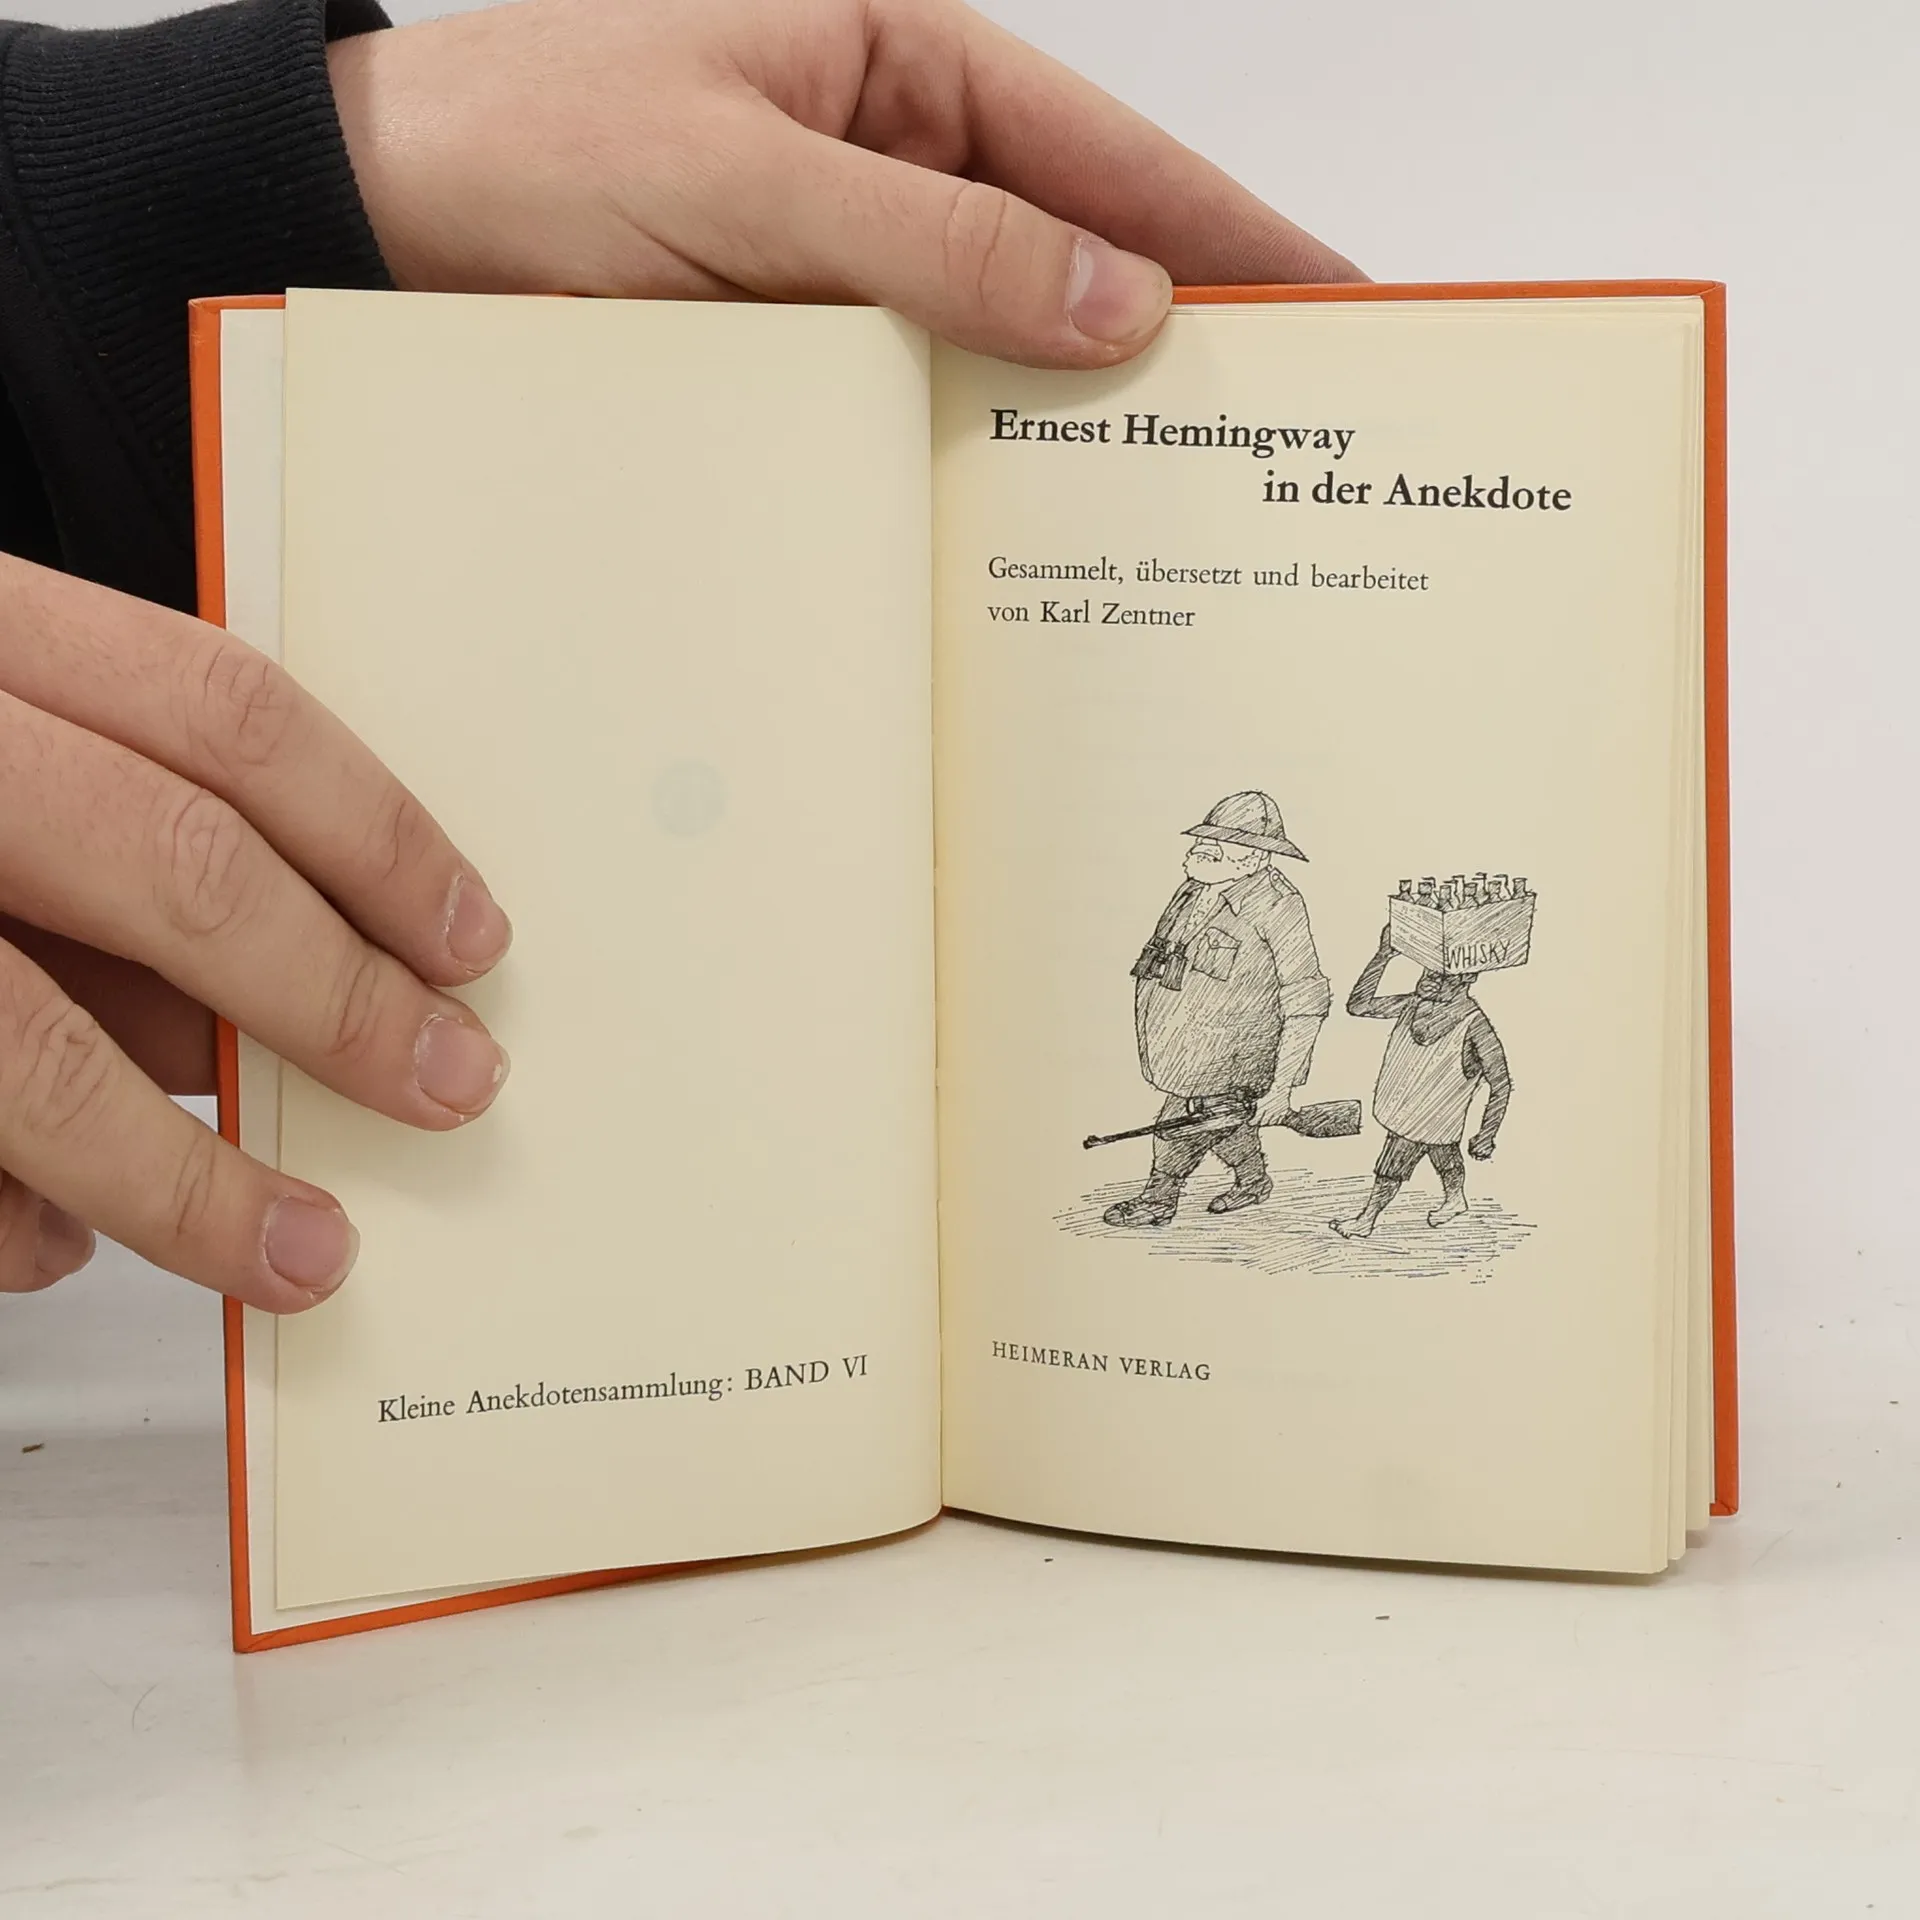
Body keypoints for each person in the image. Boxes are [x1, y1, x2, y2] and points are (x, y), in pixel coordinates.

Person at [0, 0, 1356, 1308]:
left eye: (1228, 846)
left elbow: (1294, 991)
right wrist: (199, 192)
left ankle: (1228, 1179)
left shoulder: (1268, 914)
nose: (1212, 856)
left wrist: (215, 189)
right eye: (1213, 842)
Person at [1103, 793, 1331, 1228]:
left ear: (1253, 857)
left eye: (1214, 846)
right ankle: (1254, 1180)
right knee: (1222, 1120)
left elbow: (1305, 997)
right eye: (1200, 842)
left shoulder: (1278, 904)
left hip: (1233, 1053)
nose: (1197, 852)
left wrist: (1282, 1088)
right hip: (1185, 1047)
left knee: (1179, 1123)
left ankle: (1159, 1198)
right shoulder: (1196, 887)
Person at [1333, 927, 1513, 1239]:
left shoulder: (1476, 1026)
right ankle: (1455, 1199)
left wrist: (1487, 1134)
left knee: (1395, 1159)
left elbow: (1501, 1084)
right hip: (1410, 1109)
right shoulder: (1412, 1004)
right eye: (1428, 971)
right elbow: (1358, 1006)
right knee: (1442, 1151)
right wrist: (1383, 956)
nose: (1428, 980)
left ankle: (1367, 1219)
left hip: (1429, 1114)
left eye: (1440, 976)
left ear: (1466, 978)